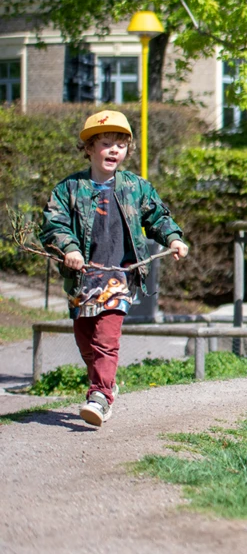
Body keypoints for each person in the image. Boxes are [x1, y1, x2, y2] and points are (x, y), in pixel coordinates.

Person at [39, 110, 188, 428]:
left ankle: (101, 397)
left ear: (127, 151)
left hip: (119, 276)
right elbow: (53, 223)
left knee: (107, 338)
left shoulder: (135, 187)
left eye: (120, 145)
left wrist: (173, 238)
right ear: (89, 148)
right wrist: (70, 248)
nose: (113, 151)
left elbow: (157, 217)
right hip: (83, 277)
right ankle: (105, 384)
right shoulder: (69, 189)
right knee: (86, 340)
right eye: (106, 143)